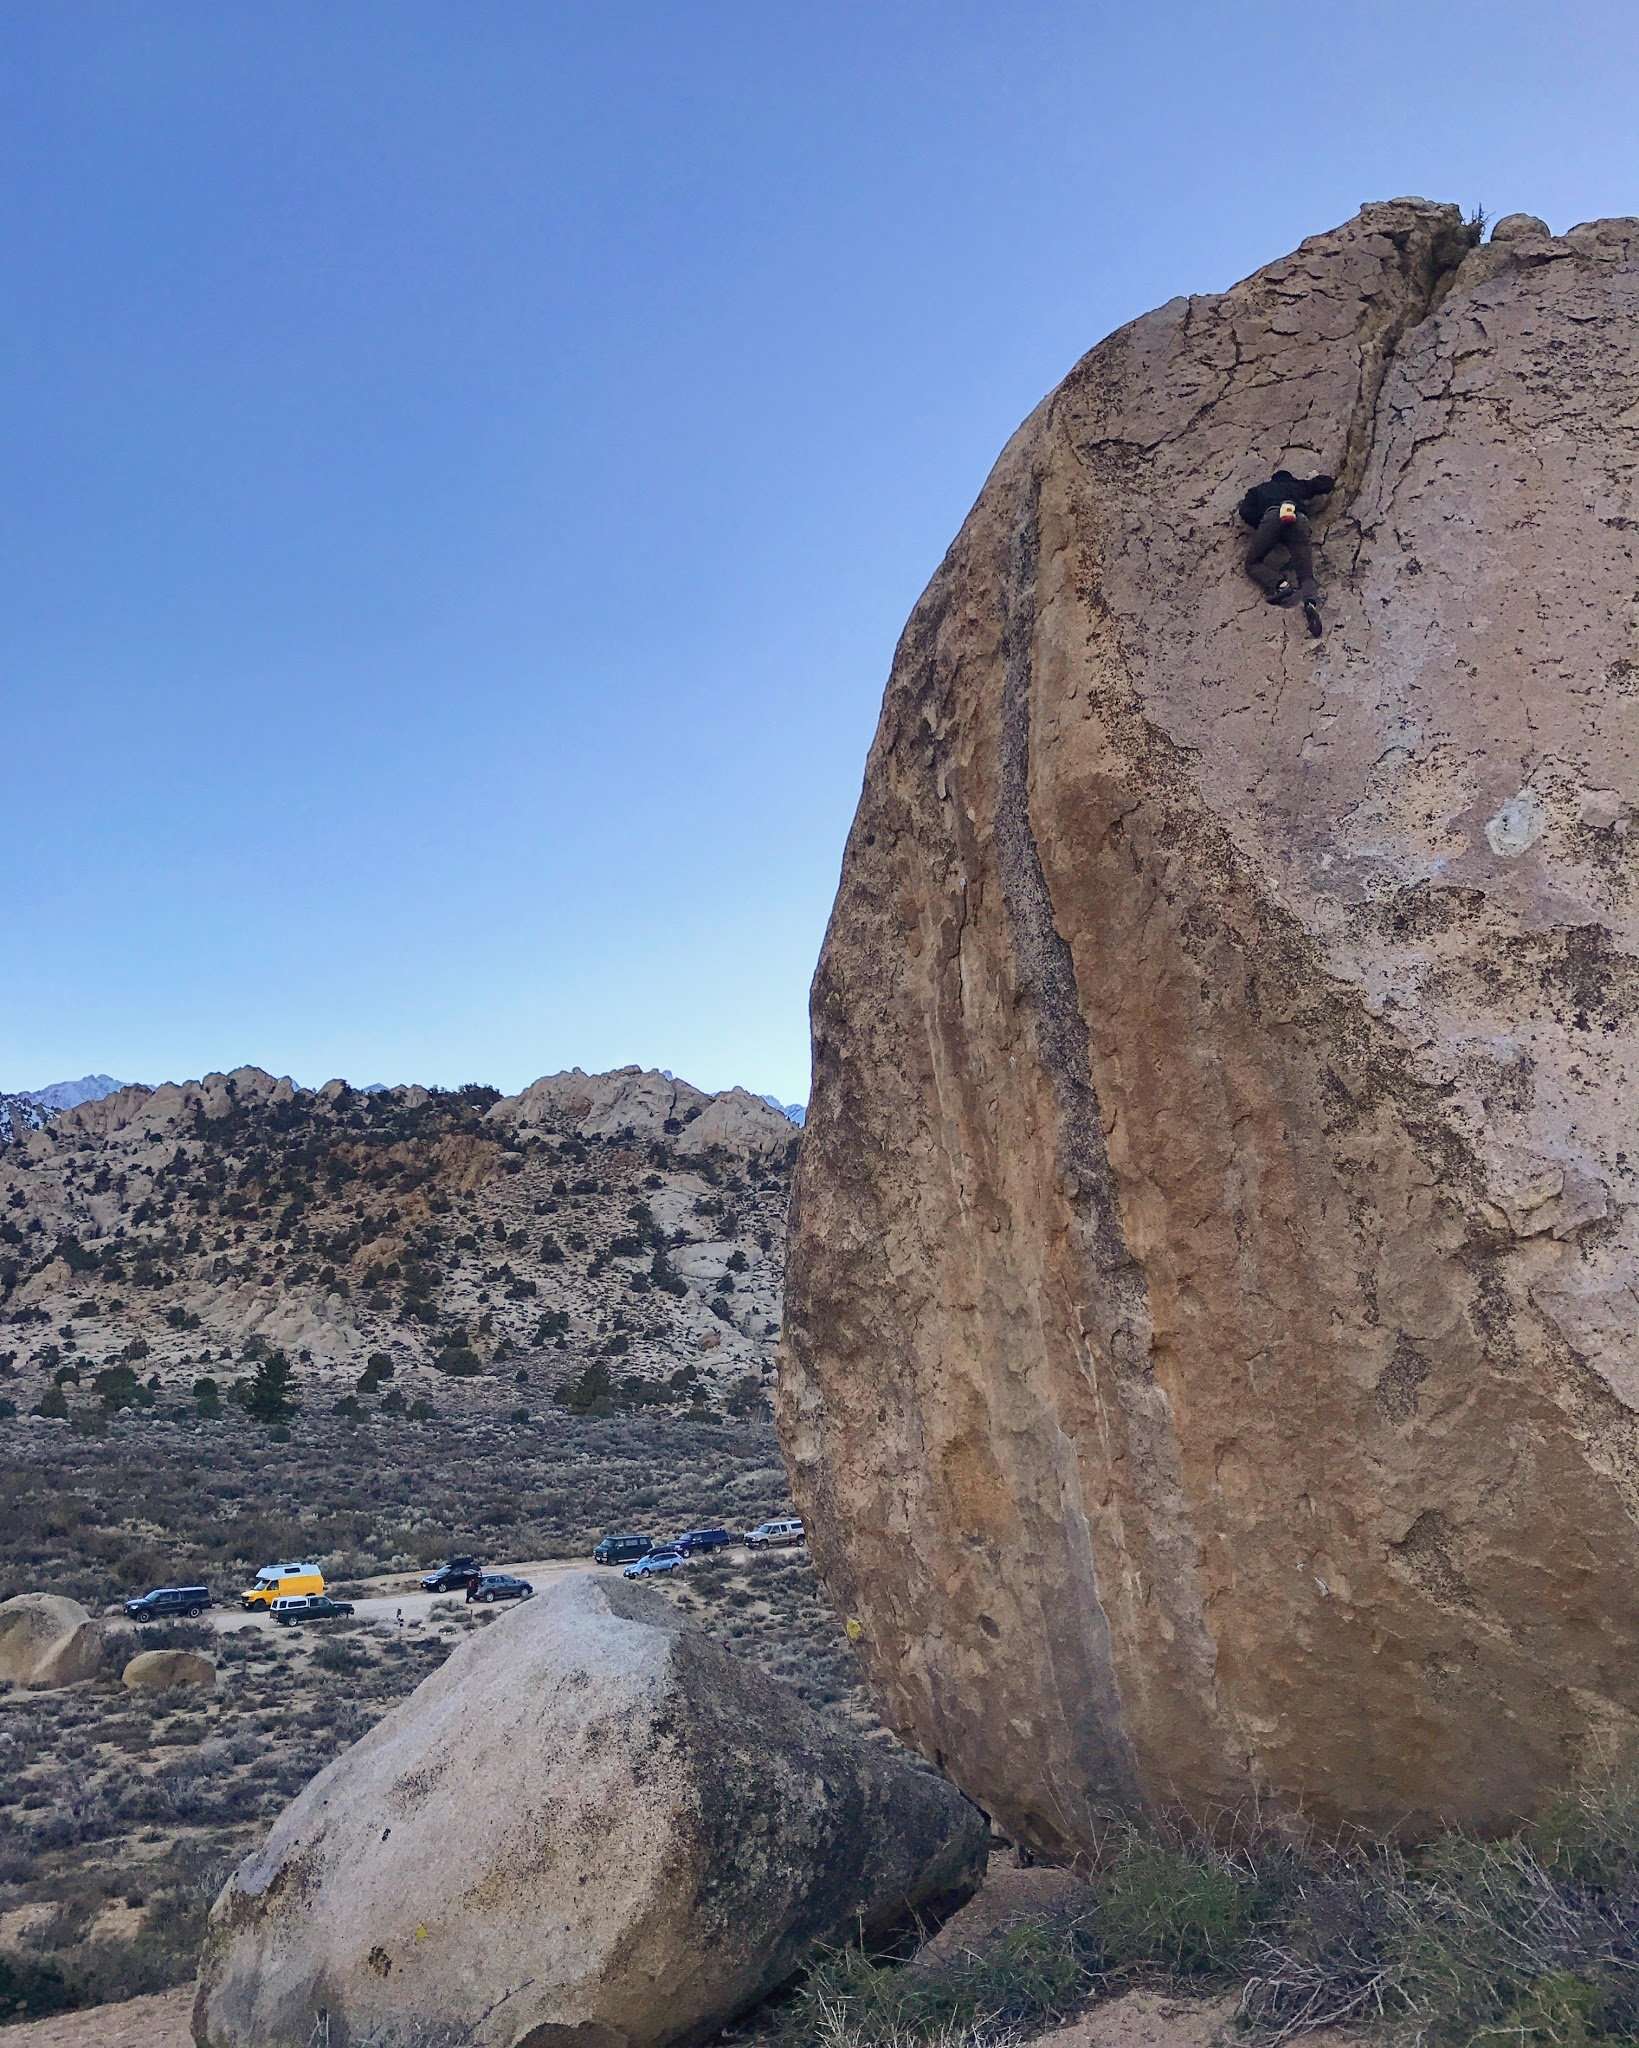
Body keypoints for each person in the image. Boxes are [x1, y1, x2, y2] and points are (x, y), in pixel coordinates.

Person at [1239, 469, 1335, 637]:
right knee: (1305, 573)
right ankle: (1310, 603)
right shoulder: (1297, 486)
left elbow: (1245, 511)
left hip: (1273, 516)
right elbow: (1324, 484)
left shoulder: (1260, 489)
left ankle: (1281, 586)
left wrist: (1261, 524)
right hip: (1298, 518)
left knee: (1253, 563)